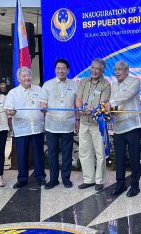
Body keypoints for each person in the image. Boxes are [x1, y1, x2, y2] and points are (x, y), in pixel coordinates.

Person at [105, 61, 141, 197]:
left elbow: (126, 96)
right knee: (119, 158)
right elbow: (113, 104)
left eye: (120, 69)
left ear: (127, 70)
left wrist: (111, 103)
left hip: (132, 126)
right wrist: (109, 111)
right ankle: (120, 184)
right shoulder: (113, 85)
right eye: (115, 69)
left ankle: (135, 185)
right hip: (119, 126)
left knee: (134, 157)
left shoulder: (135, 82)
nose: (117, 72)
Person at [40, 59, 79, 190]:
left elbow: (77, 105)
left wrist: (78, 120)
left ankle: (66, 178)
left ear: (68, 70)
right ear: (55, 69)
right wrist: (43, 107)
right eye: (58, 68)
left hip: (68, 124)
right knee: (52, 153)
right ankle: (53, 179)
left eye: (63, 68)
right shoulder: (47, 85)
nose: (60, 71)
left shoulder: (74, 85)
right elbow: (42, 102)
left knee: (67, 152)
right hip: (52, 124)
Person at [5, 67, 46, 189]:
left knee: (39, 154)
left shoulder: (39, 90)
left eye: (28, 75)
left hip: (37, 128)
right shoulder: (13, 93)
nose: (27, 78)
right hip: (22, 129)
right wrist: (11, 112)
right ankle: (22, 178)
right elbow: (8, 110)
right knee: (22, 155)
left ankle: (40, 177)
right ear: (18, 78)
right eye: (24, 76)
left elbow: (44, 105)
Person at [75, 58, 110, 191]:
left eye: (97, 69)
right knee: (84, 152)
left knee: (100, 153)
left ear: (102, 71)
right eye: (93, 67)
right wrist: (80, 108)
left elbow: (103, 102)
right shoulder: (83, 82)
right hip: (84, 122)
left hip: (97, 124)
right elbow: (78, 98)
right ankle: (88, 179)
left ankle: (99, 180)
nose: (94, 70)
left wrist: (93, 110)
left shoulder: (106, 84)